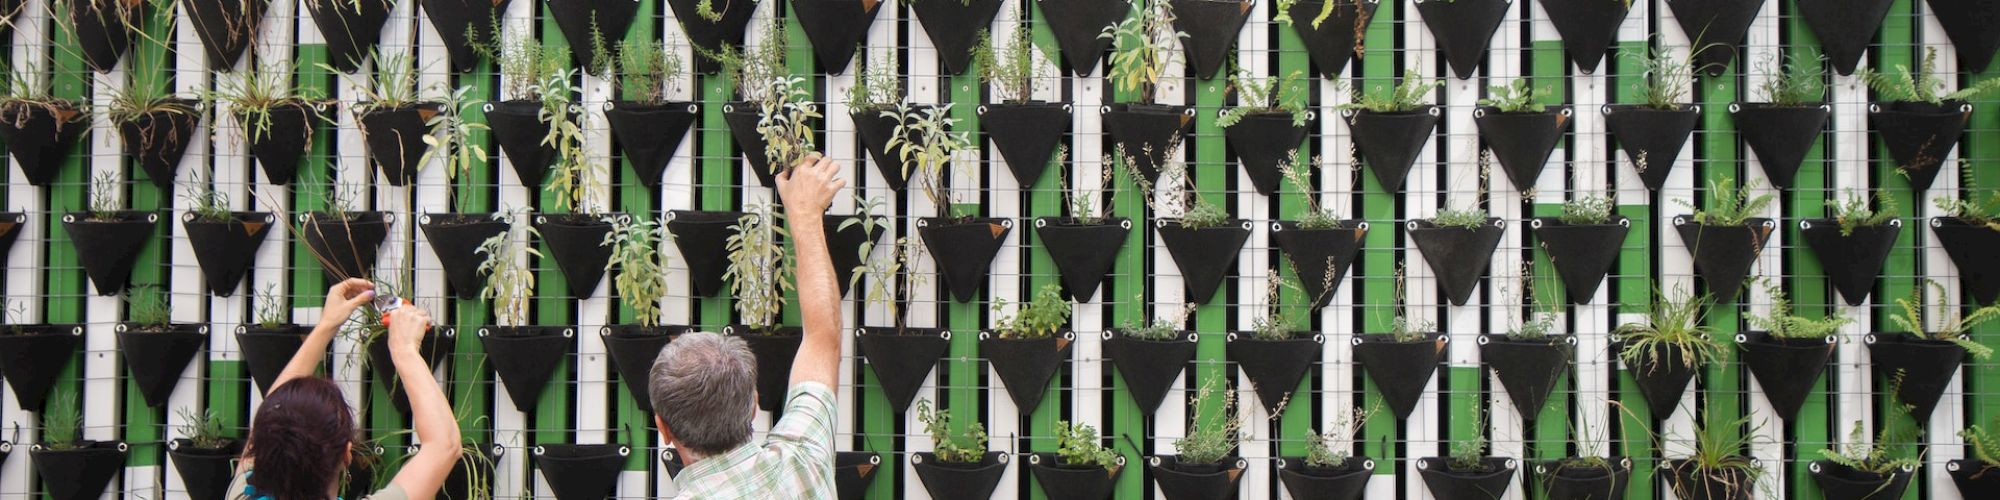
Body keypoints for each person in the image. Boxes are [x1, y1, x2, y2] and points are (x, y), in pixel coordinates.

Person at [650, 153, 848, 499]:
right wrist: (805, 215)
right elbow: (823, 338)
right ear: (754, 405)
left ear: (663, 428)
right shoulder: (802, 461)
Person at [226, 279, 462, 500]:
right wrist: (404, 349)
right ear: (346, 455)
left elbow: (443, 446)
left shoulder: (242, 494)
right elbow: (445, 444)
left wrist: (327, 325)